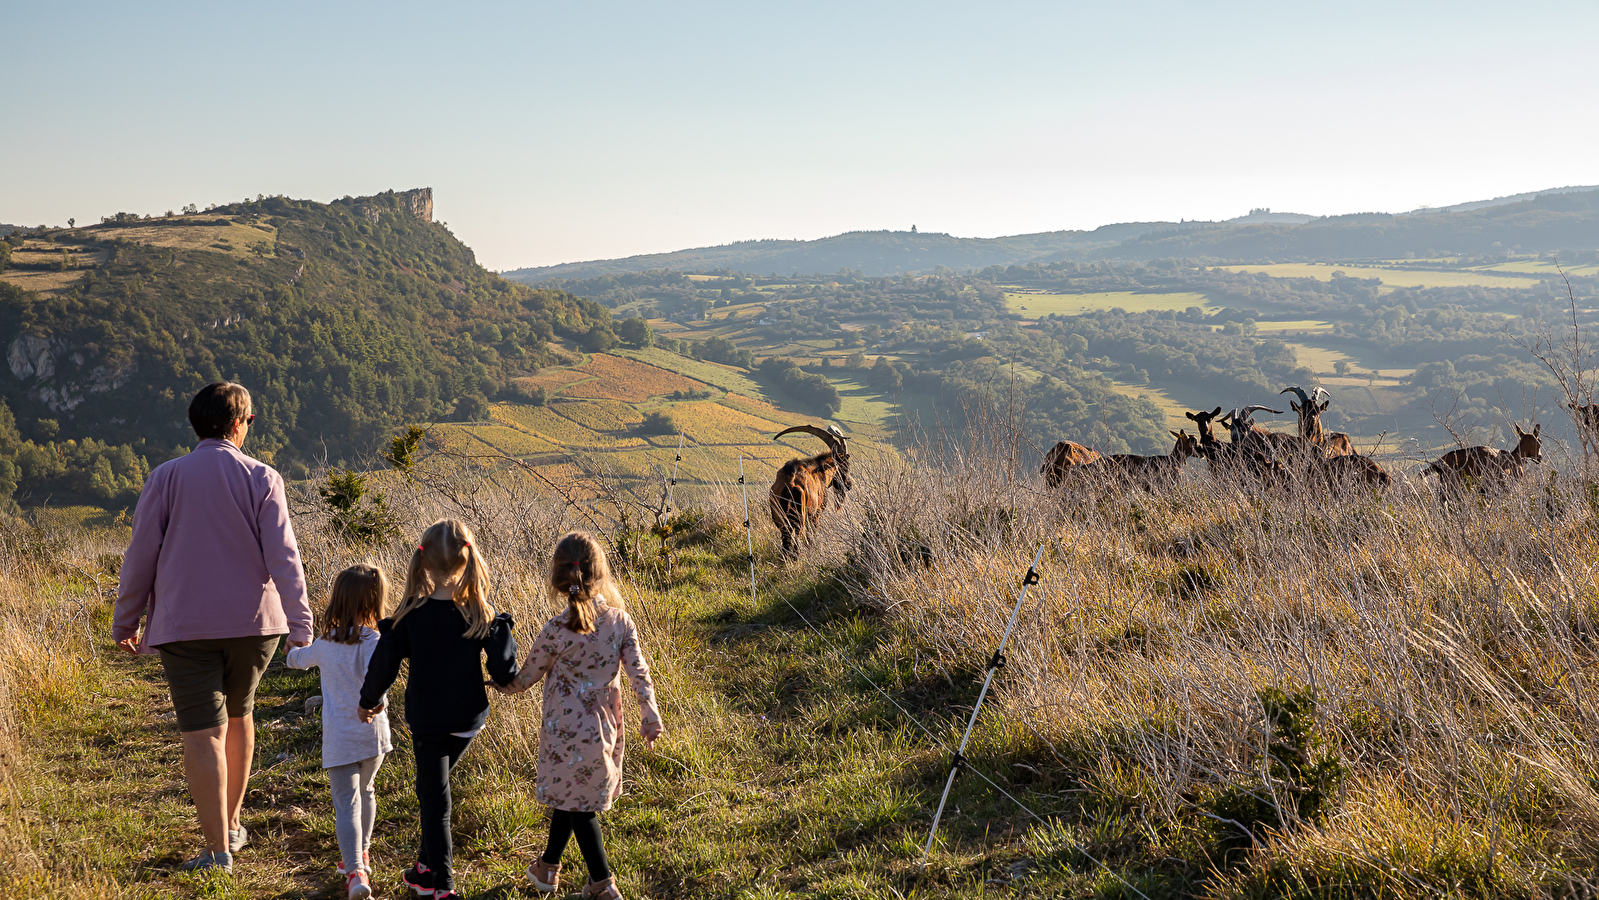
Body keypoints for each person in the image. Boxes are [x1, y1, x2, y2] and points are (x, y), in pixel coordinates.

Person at [115, 382, 312, 873]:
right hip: (255, 625)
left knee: (202, 732)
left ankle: (216, 852)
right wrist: (299, 622)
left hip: (185, 625)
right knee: (241, 715)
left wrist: (127, 618)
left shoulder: (165, 478)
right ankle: (231, 825)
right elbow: (284, 558)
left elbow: (141, 555)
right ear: (239, 423)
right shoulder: (263, 478)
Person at [359, 519, 518, 900]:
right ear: (467, 559)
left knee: (435, 801)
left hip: (427, 720)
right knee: (434, 792)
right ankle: (423, 869)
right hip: (468, 720)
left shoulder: (410, 617)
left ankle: (442, 887)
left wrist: (369, 701)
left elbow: (384, 665)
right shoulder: (482, 615)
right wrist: (504, 677)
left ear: (424, 562)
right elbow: (504, 669)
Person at [502, 531, 664, 900]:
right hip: (602, 727)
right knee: (573, 796)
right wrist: (650, 715)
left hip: (562, 730)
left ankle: (603, 885)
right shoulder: (620, 622)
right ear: (600, 572)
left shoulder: (556, 629)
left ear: (558, 580)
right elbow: (639, 673)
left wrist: (491, 680)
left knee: (578, 804)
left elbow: (523, 679)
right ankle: (546, 868)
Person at [286, 565, 394, 900]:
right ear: (375, 602)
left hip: (341, 738)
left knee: (345, 802)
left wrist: (293, 647)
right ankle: (362, 853)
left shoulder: (325, 644)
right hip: (373, 732)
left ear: (337, 600)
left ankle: (355, 872)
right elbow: (383, 676)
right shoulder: (375, 640)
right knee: (368, 791)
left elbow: (296, 660)